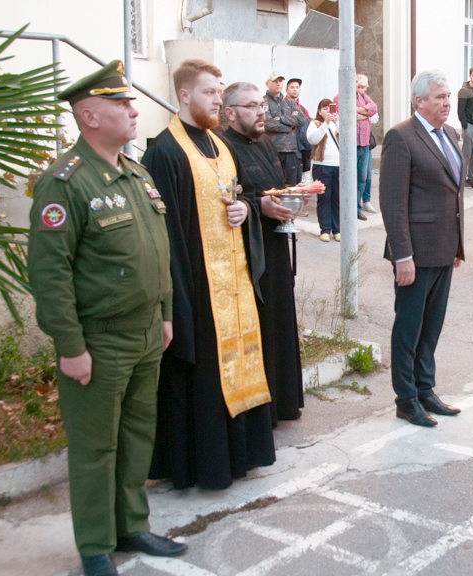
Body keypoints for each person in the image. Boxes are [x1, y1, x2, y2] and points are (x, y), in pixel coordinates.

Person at [28, 61, 186, 576]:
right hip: (98, 340)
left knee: (138, 435)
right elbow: (50, 276)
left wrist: (164, 314)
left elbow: (156, 252)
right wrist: (70, 346)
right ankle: (95, 546)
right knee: (96, 447)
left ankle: (131, 527)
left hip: (145, 333)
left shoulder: (135, 173)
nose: (133, 109)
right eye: (122, 103)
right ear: (89, 115)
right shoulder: (64, 183)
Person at [142, 61, 277, 493]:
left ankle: (240, 455)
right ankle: (205, 466)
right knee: (201, 375)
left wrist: (244, 212)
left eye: (220, 93)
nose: (218, 100)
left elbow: (236, 200)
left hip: (233, 281)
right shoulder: (164, 151)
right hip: (197, 288)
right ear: (184, 95)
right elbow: (165, 235)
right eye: (209, 93)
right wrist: (178, 300)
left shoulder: (220, 146)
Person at [221, 81, 310, 424]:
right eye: (252, 106)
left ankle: (283, 403)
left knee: (280, 325)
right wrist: (261, 206)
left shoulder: (265, 143)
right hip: (249, 255)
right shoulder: (224, 148)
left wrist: (290, 196)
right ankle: (263, 413)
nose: (262, 112)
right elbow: (227, 204)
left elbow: (272, 188)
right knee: (261, 331)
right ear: (230, 113)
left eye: (261, 105)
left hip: (276, 248)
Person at [380, 69, 465, 427]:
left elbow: (453, 194)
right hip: (414, 253)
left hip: (443, 249)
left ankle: (426, 389)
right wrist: (403, 256)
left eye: (449, 97)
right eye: (440, 97)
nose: (447, 103)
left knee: (432, 327)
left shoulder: (449, 134)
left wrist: (457, 246)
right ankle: (407, 397)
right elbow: (393, 202)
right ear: (420, 101)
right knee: (409, 328)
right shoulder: (401, 137)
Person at [334, 73, 378, 219]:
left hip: (364, 142)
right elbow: (346, 114)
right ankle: (347, 207)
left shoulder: (363, 97)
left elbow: (374, 109)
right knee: (348, 176)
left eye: (356, 82)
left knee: (362, 177)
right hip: (349, 144)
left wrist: (356, 110)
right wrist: (364, 113)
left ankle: (357, 208)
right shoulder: (339, 97)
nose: (355, 85)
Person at [261, 72, 307, 185]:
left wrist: (280, 119)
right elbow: (267, 124)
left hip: (291, 150)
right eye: (275, 81)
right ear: (267, 84)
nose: (278, 83)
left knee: (290, 186)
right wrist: (290, 126)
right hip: (272, 149)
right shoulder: (263, 101)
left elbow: (302, 120)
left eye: (280, 81)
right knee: (272, 185)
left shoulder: (289, 102)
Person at [307, 98, 341, 242]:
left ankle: (337, 229)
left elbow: (348, 139)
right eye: (325, 108)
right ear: (320, 111)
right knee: (324, 198)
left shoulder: (338, 124)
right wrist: (325, 124)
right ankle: (325, 229)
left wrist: (337, 121)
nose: (328, 111)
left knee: (337, 198)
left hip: (339, 166)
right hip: (322, 166)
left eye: (330, 108)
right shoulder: (315, 124)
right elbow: (312, 139)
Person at [286, 78, 313, 215]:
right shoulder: (283, 105)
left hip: (301, 147)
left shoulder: (302, 109)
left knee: (299, 178)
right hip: (289, 147)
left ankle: (298, 207)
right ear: (287, 90)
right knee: (290, 179)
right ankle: (290, 208)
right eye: (292, 87)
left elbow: (305, 123)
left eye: (297, 87)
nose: (295, 89)